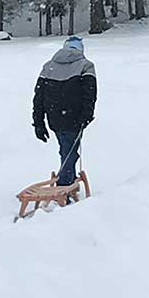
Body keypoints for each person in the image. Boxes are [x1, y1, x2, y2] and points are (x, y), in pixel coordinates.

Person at [32, 36, 97, 186]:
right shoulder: (86, 65)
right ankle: (64, 186)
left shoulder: (48, 66)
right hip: (75, 117)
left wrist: (38, 122)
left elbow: (38, 97)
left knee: (67, 149)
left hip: (54, 117)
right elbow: (90, 94)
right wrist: (86, 116)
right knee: (70, 152)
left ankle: (69, 181)